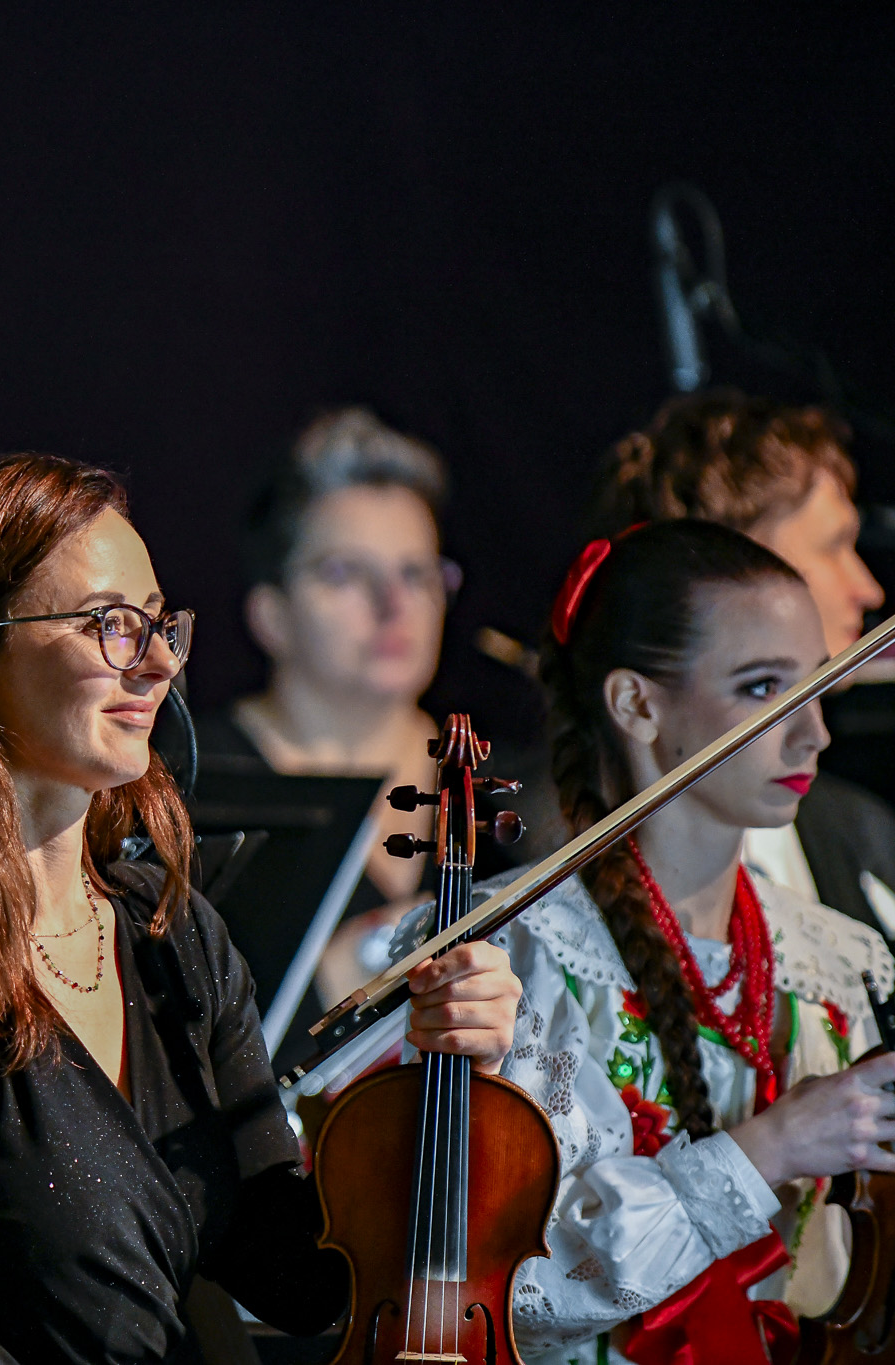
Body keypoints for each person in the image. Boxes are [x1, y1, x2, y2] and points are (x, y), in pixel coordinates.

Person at [0, 454, 524, 1364]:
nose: (162, 661)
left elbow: (302, 1278)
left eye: (161, 625)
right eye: (110, 627)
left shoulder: (172, 934)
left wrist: (445, 1073)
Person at [390, 519, 895, 1365]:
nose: (815, 735)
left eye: (817, 687)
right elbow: (514, 1295)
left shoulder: (836, 958)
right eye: (764, 689)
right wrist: (771, 1144)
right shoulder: (514, 952)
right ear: (637, 704)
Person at [204, 408, 492, 1005]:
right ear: (271, 614)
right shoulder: (192, 792)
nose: (393, 604)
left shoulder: (506, 791)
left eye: (415, 574)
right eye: (344, 573)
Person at [588, 390, 895, 941]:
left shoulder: (860, 829)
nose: (867, 588)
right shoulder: (560, 854)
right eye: (834, 546)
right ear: (732, 564)